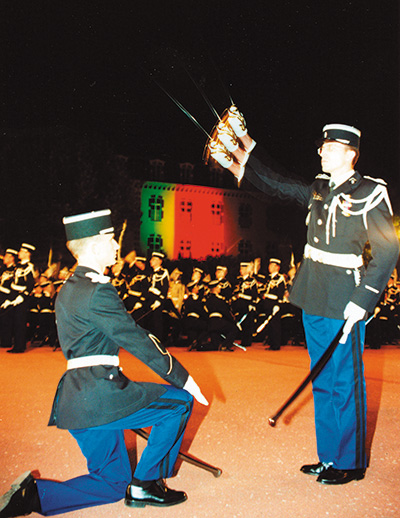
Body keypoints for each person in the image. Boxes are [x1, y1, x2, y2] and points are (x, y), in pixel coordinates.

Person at [211, 110, 399, 484]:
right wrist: (242, 151)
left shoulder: (370, 192)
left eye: (329, 148)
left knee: (345, 380)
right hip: (313, 291)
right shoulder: (319, 187)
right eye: (323, 147)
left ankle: (349, 461)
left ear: (349, 153)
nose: (322, 154)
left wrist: (363, 300)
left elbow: (388, 251)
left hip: (346, 295)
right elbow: (276, 183)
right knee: (322, 379)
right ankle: (329, 457)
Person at [0, 209, 208, 517]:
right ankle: (147, 484)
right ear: (94, 244)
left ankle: (32, 498)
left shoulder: (70, 288)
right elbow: (135, 338)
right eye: (110, 239)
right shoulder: (97, 290)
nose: (115, 246)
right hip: (101, 394)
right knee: (179, 403)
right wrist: (183, 378)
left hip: (77, 400)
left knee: (112, 484)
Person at [1, 243, 36, 353]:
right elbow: (13, 285)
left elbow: (30, 285)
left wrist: (21, 297)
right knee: (16, 322)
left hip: (22, 299)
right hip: (15, 296)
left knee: (20, 322)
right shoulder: (19, 267)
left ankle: (20, 346)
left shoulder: (29, 267)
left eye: (21, 251)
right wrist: (9, 300)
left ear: (27, 253)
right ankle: (17, 345)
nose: (19, 253)